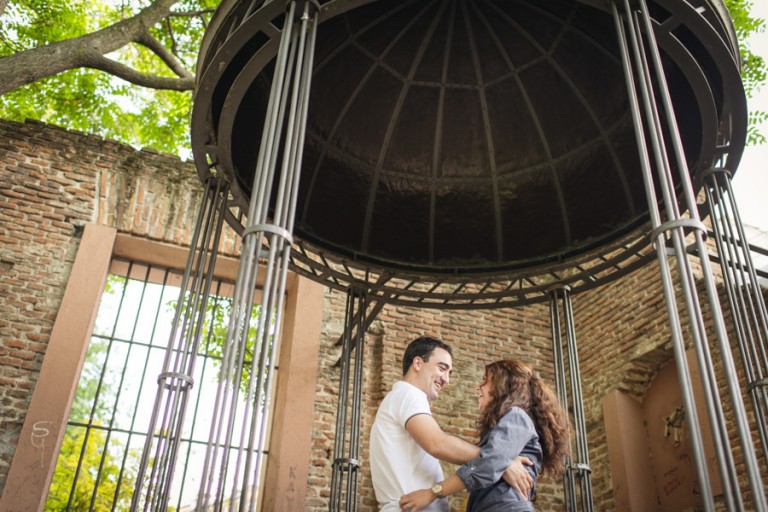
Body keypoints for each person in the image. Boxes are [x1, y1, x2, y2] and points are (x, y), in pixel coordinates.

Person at [369, 336, 534, 511]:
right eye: (442, 368)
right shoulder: (408, 394)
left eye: (449, 373)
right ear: (418, 364)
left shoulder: (402, 397)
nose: (446, 379)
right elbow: (437, 443)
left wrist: (496, 460)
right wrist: (500, 460)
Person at [399, 359, 570, 511]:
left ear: (502, 385)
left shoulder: (517, 416)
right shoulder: (511, 423)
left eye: (484, 381)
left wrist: (431, 493)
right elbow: (492, 461)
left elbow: (488, 464)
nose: (478, 387)